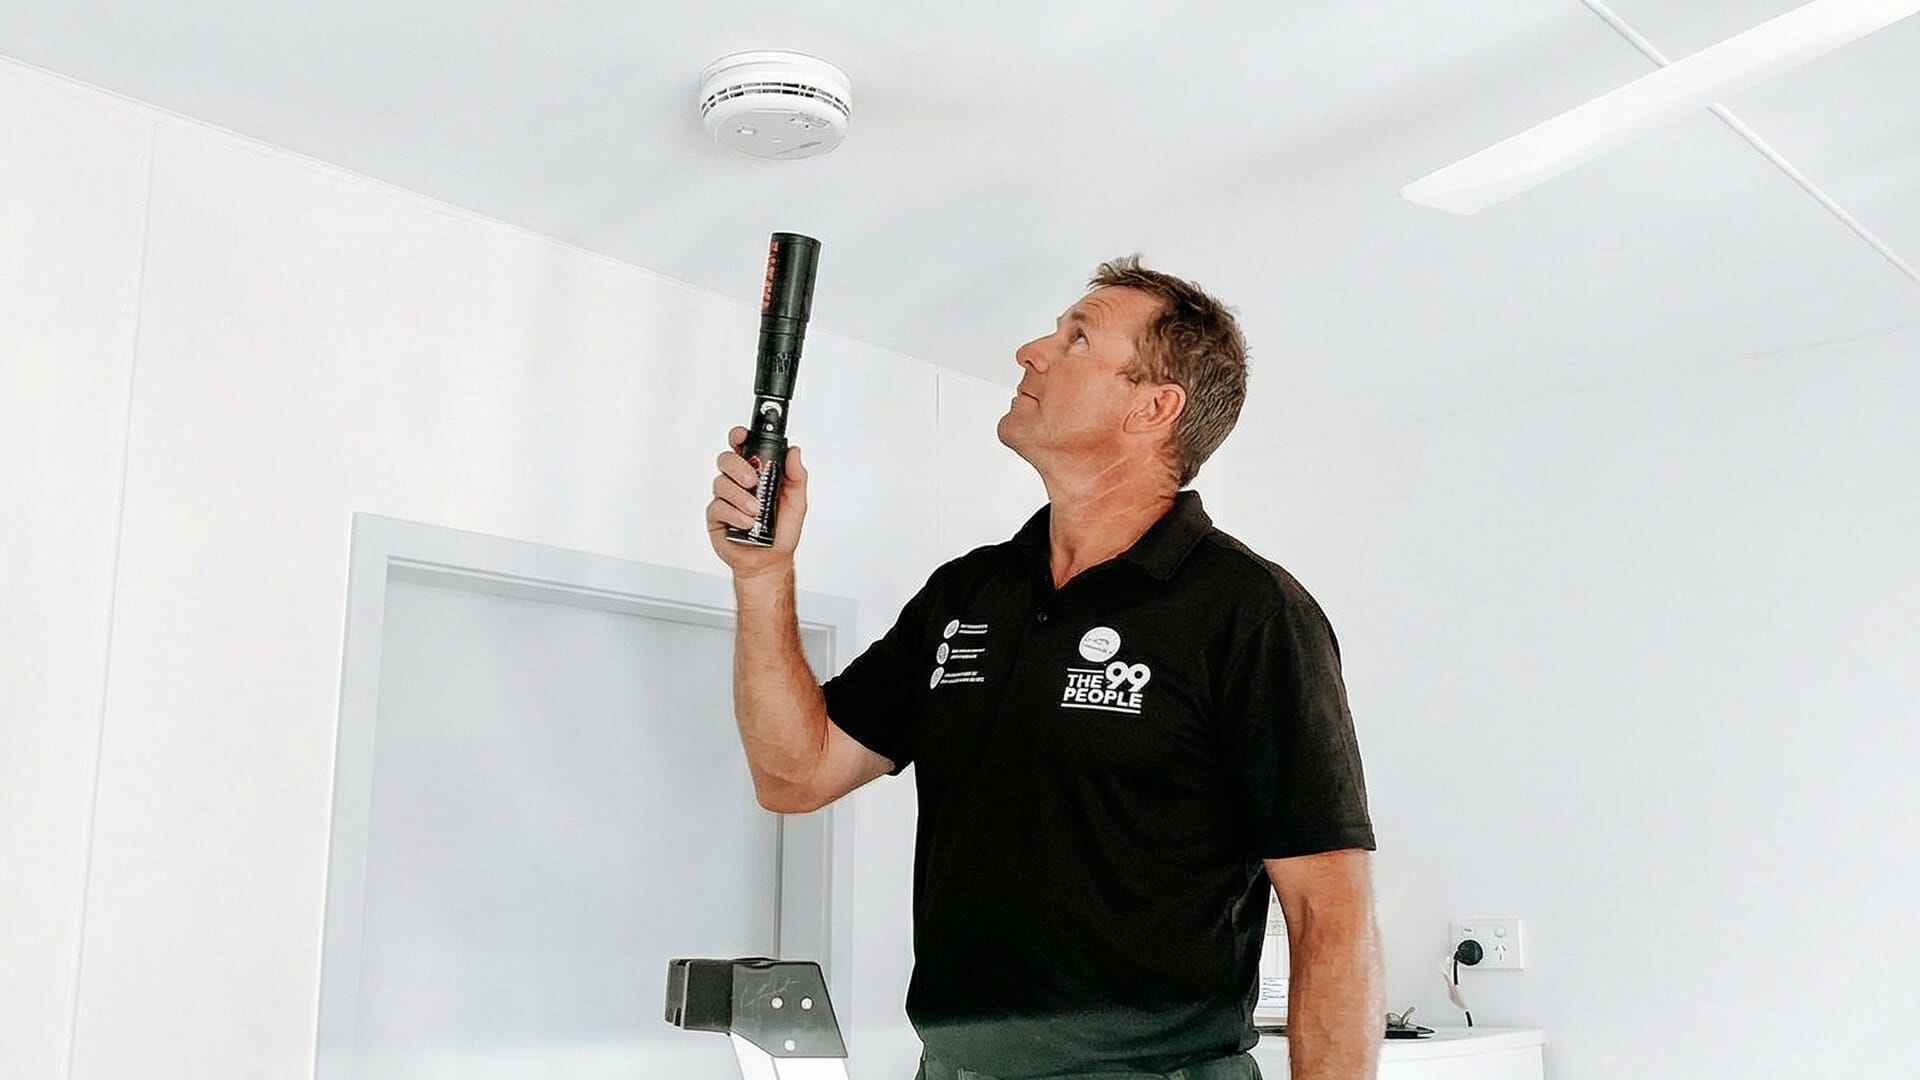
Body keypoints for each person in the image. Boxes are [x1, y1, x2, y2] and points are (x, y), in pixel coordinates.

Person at [705, 256, 1382, 1080]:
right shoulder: (969, 591)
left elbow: (1329, 916)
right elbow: (794, 774)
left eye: (1077, 338)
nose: (1030, 351)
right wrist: (764, 576)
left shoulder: (1249, 612)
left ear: (1154, 407)